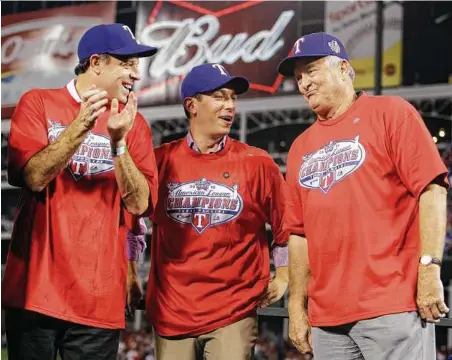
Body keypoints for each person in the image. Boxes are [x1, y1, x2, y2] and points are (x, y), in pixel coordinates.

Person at [277, 32, 449, 360]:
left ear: (344, 68)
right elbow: (298, 234)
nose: (304, 83)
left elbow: (432, 189)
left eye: (312, 70)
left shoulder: (391, 113)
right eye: (298, 77)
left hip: (391, 304)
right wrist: (297, 306)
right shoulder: (300, 147)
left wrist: (429, 269)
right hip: (327, 319)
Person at [2, 23, 159, 360]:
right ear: (96, 62)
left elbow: (139, 203)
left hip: (98, 298)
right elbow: (33, 177)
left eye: (137, 65)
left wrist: (119, 144)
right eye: (127, 63)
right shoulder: (38, 103)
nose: (135, 73)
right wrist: (80, 126)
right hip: (35, 291)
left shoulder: (135, 125)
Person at [140, 63, 289, 360]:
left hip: (233, 310)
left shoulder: (257, 163)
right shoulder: (159, 160)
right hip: (171, 310)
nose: (230, 105)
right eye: (220, 97)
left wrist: (284, 275)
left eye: (233, 98)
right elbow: (131, 222)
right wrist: (131, 271)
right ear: (191, 105)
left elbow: (288, 227)